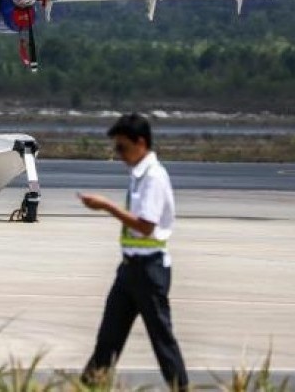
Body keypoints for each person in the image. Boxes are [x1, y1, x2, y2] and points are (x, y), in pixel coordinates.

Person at [77, 113, 188, 390]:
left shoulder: (153, 177)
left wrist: (106, 206)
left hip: (149, 271)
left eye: (122, 147)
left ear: (140, 143)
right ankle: (87, 387)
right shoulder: (139, 175)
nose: (119, 154)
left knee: (162, 341)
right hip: (130, 269)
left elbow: (146, 226)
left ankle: (181, 388)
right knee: (108, 340)